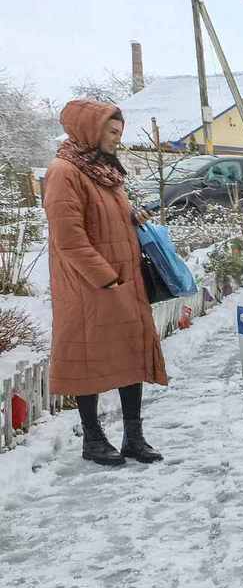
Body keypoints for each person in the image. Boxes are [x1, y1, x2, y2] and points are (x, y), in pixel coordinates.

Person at [43, 100, 168, 466]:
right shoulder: (64, 171)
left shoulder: (104, 171)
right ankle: (93, 439)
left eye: (119, 133)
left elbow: (104, 217)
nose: (116, 139)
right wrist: (106, 278)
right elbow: (69, 238)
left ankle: (134, 436)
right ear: (89, 129)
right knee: (87, 360)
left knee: (131, 353)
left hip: (122, 281)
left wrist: (131, 216)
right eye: (111, 132)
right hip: (89, 287)